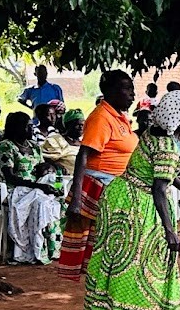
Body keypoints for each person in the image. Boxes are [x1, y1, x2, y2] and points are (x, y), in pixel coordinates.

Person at [84, 90, 180, 310]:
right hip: (142, 207)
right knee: (146, 264)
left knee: (124, 261)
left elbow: (162, 172)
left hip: (121, 198)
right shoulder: (169, 146)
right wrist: (170, 231)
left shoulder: (154, 134)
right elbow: (159, 188)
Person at [57, 70, 139, 282]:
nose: (133, 94)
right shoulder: (101, 117)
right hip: (100, 187)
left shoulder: (120, 117)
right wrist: (76, 200)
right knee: (102, 243)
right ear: (111, 91)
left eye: (132, 88)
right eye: (127, 89)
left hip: (117, 186)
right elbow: (83, 155)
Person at [0, 112, 62, 264]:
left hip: (38, 188)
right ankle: (35, 250)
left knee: (54, 201)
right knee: (41, 204)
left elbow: (42, 169)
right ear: (17, 128)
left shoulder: (34, 147)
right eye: (28, 126)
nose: (32, 129)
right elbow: (10, 177)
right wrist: (39, 186)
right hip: (19, 190)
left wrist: (53, 175)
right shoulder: (7, 146)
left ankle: (51, 248)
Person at [42, 108, 85, 174]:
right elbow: (45, 159)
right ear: (68, 125)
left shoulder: (85, 142)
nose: (81, 128)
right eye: (77, 125)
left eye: (83, 125)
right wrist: (55, 165)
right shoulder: (56, 140)